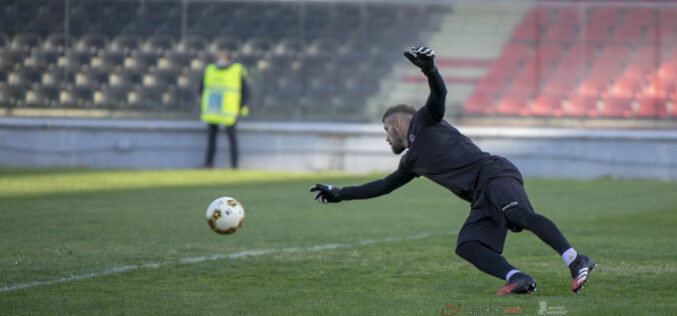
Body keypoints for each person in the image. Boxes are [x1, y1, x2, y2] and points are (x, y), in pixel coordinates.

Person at [309, 46, 596, 295]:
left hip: (493, 173)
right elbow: (384, 186)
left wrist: (430, 70)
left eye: (386, 130)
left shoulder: (426, 119)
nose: (386, 138)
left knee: (516, 213)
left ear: (397, 124)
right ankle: (517, 278)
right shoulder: (410, 161)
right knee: (468, 245)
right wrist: (339, 194)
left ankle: (575, 260)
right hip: (480, 197)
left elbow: (439, 94)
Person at [199, 48, 250, 169]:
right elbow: (202, 88)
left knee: (232, 139)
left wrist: (241, 106)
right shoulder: (210, 70)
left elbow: (245, 91)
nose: (217, 60)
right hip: (213, 110)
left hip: (229, 111)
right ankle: (208, 164)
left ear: (227, 57)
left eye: (220, 57)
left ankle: (234, 165)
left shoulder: (236, 70)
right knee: (211, 139)